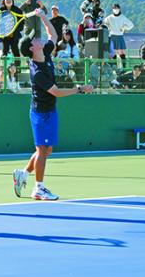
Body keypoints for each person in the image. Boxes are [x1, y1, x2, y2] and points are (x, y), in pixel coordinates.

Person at [13, 13, 94, 202]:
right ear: (32, 48)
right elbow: (56, 92)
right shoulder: (38, 72)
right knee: (42, 150)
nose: (37, 37)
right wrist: (80, 89)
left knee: (46, 150)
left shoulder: (45, 52)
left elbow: (54, 35)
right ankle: (38, 188)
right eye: (34, 39)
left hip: (49, 111)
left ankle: (22, 174)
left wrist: (42, 16)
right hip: (41, 114)